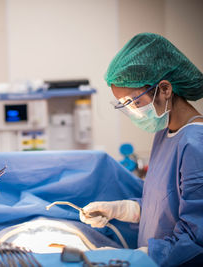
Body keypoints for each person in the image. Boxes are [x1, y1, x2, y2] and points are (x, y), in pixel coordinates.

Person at [80, 33, 203, 266]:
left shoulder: (196, 144)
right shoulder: (164, 134)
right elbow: (165, 207)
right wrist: (120, 209)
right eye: (123, 105)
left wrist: (139, 257)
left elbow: (197, 237)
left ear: (165, 89)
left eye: (133, 101)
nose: (131, 111)